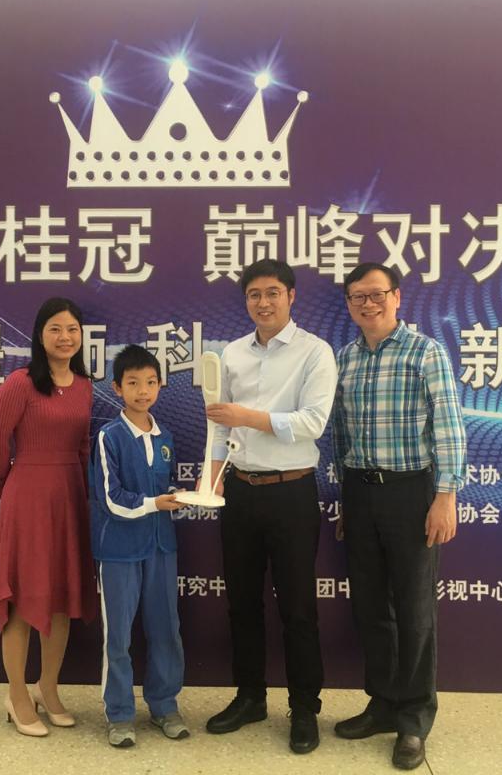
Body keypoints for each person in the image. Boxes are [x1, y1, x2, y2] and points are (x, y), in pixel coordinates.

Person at [331, 262, 467, 771]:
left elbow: (449, 426)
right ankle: (383, 704)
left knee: (413, 609)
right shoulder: (345, 358)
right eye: (357, 297)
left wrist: (446, 495)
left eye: (376, 294)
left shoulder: (424, 352)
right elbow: (341, 433)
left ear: (396, 297)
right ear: (348, 304)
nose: (368, 304)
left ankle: (413, 718)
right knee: (370, 607)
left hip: (412, 492)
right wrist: (345, 499)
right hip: (360, 491)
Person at [202, 258, 337, 754]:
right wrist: (211, 481)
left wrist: (249, 416)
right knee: (242, 603)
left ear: (291, 296)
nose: (263, 302)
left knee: (297, 607)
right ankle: (250, 697)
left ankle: (304, 709)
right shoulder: (232, 353)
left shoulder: (315, 352)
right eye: (254, 294)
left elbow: (312, 422)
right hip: (239, 490)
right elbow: (220, 424)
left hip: (291, 492)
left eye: (272, 293)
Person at [0, 297, 98, 737]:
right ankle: (16, 694)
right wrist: (4, 482)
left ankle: (48, 687)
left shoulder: (84, 386)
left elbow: (84, 445)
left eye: (72, 329)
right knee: (20, 598)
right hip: (27, 495)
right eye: (55, 329)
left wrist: (83, 492)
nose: (65, 337)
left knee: (62, 596)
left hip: (70, 495)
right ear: (39, 334)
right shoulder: (21, 382)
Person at [89, 345, 190, 749]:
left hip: (161, 547)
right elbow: (110, 498)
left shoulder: (165, 436)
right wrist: (154, 503)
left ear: (160, 385)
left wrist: (177, 498)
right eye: (133, 383)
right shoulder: (109, 436)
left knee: (166, 628)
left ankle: (165, 705)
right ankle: (119, 714)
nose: (142, 391)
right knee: (118, 636)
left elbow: (162, 487)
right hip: (119, 550)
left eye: (150, 382)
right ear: (117, 388)